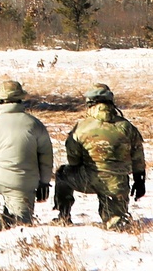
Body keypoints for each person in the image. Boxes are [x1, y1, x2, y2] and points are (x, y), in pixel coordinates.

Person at [53, 83, 146, 230]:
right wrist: (139, 180)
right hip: (117, 183)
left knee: (62, 174)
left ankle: (63, 215)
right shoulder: (126, 127)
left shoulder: (81, 127)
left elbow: (73, 160)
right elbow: (138, 157)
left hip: (87, 178)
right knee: (115, 222)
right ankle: (115, 218)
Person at [0, 80, 54, 230]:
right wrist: (44, 182)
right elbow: (46, 157)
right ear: (21, 99)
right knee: (23, 224)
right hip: (26, 182)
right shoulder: (35, 123)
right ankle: (9, 217)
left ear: (0, 101)